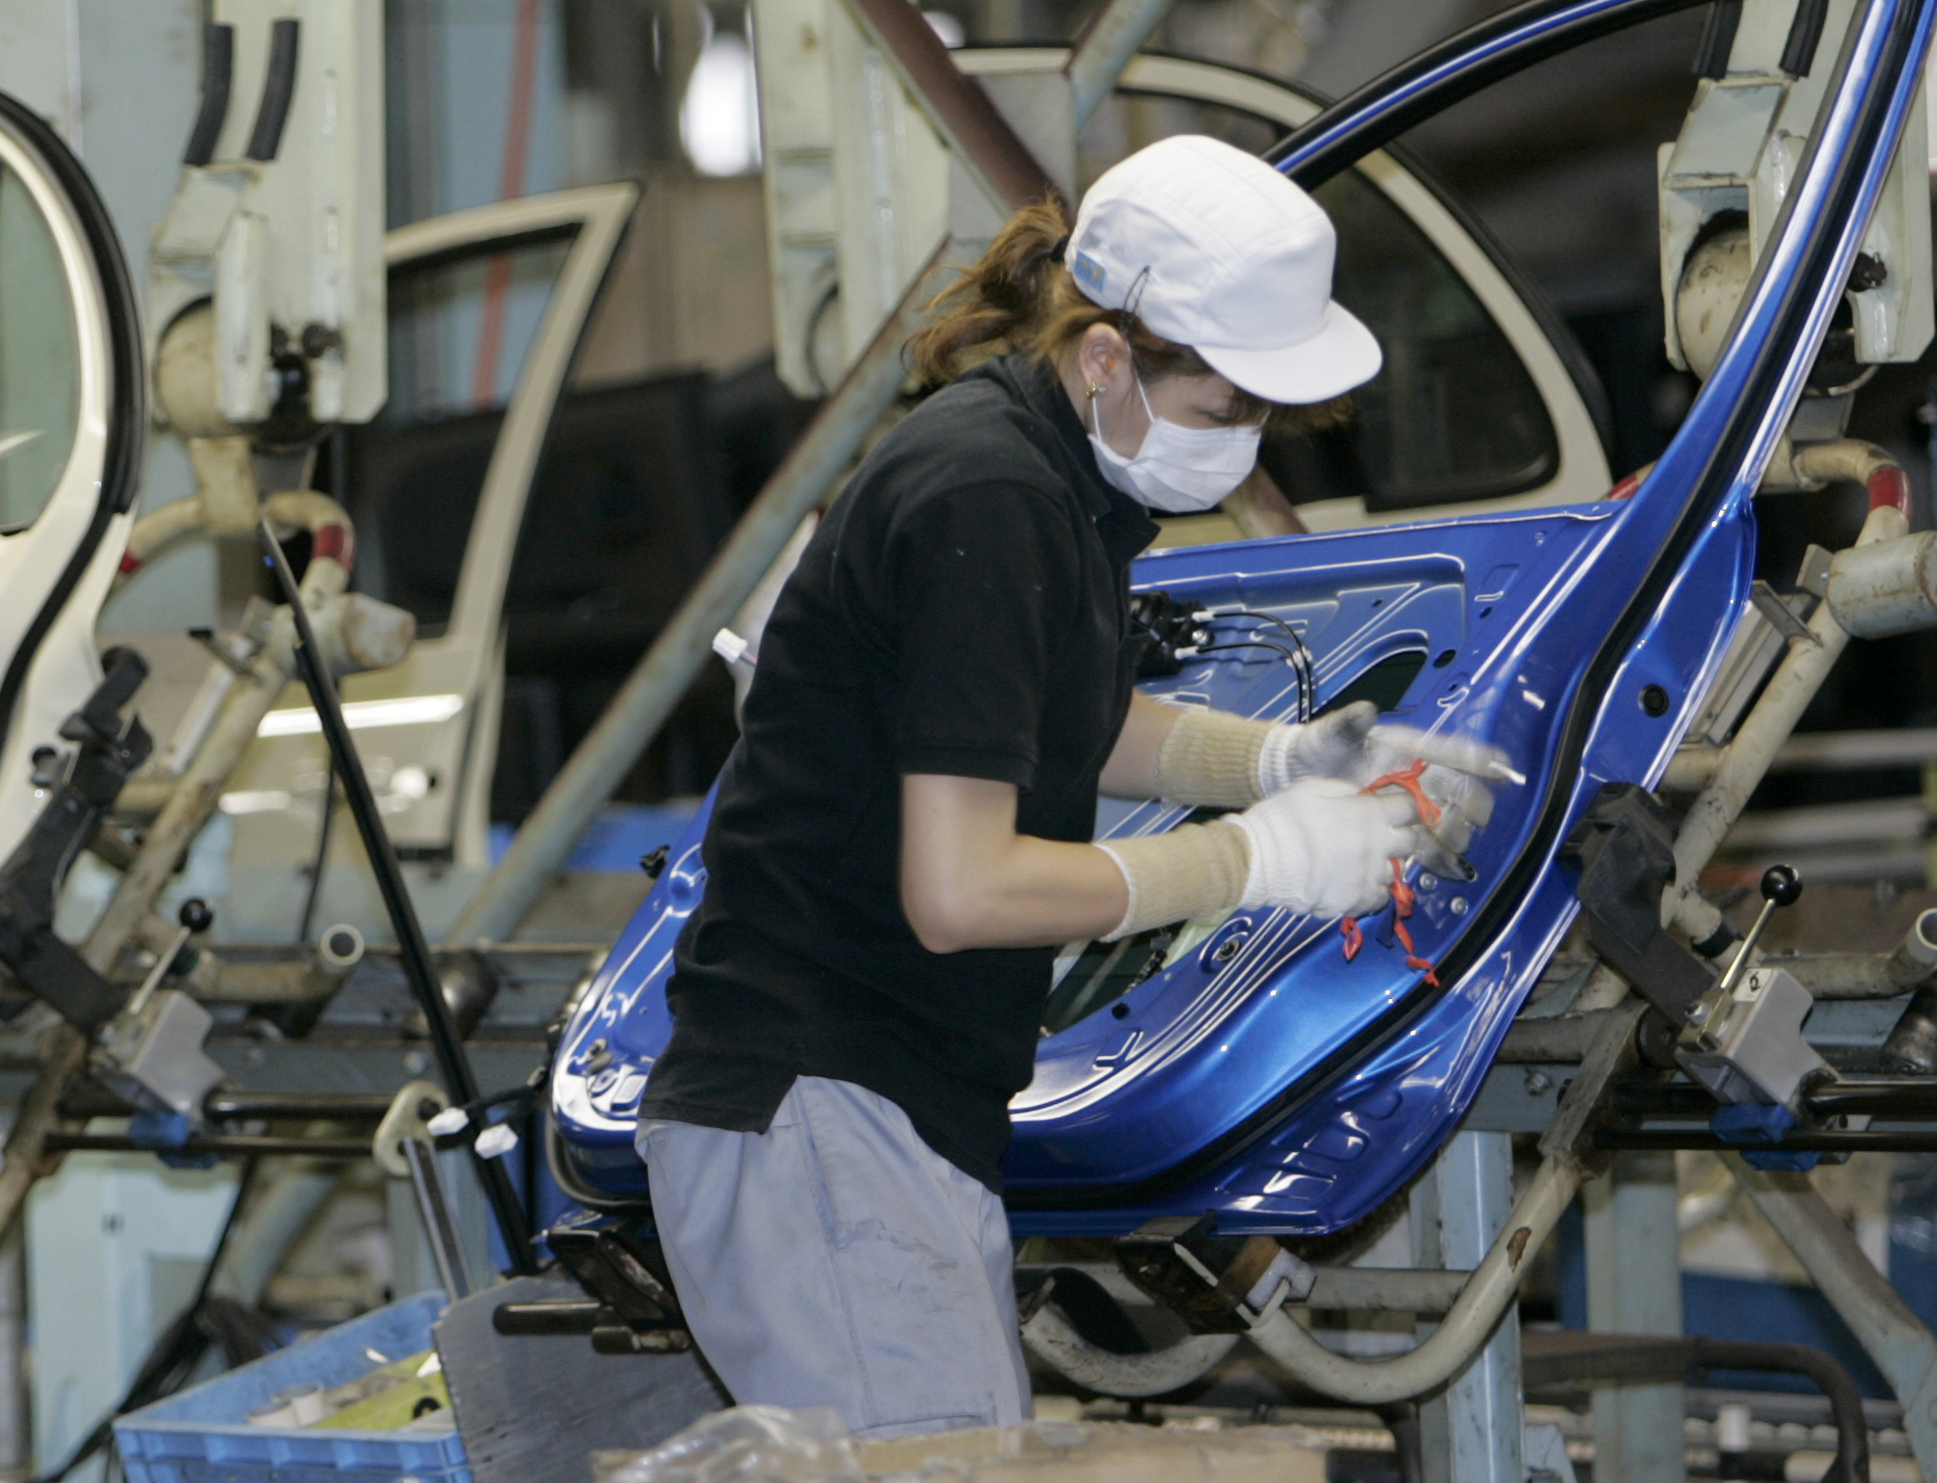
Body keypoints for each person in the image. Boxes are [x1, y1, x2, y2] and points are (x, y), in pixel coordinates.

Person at [634, 136, 1515, 1434]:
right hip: (816, 1112)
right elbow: (958, 887)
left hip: (858, 1111)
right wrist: (1254, 858)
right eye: (1226, 410)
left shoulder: (1048, 476)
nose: (1244, 444)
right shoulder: (986, 495)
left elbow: (1072, 725)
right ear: (1106, 357)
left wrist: (1291, 757)